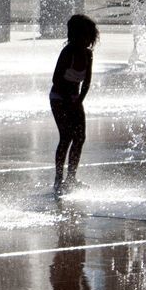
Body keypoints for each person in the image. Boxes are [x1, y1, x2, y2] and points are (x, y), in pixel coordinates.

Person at [50, 14, 97, 194]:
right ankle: (58, 179)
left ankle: (71, 178)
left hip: (75, 99)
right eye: (86, 35)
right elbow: (56, 79)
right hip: (59, 98)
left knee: (80, 137)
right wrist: (69, 99)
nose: (89, 40)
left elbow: (86, 82)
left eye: (91, 36)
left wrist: (79, 100)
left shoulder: (88, 54)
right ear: (77, 35)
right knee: (66, 136)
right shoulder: (67, 52)